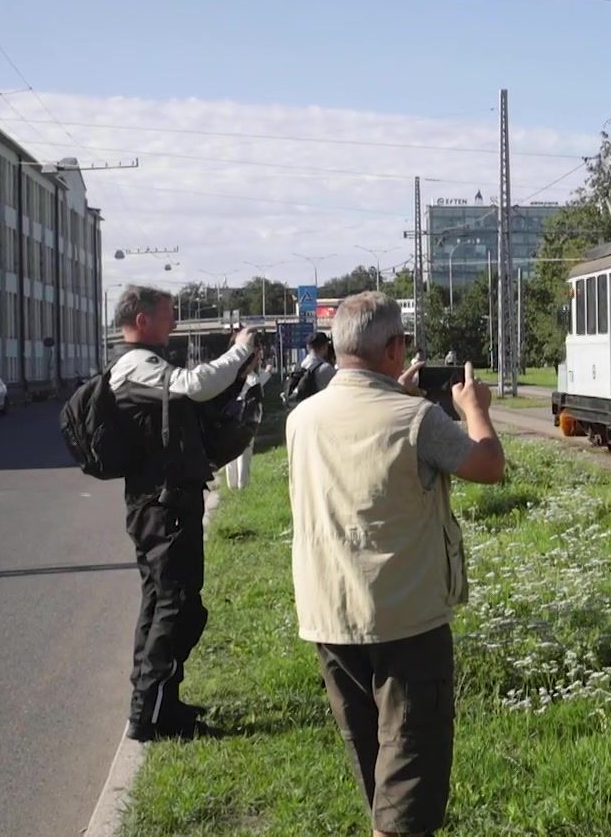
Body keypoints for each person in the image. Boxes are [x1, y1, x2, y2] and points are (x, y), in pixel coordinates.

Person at [288, 292, 506, 837]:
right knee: (410, 777)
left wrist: (395, 394)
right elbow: (488, 465)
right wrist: (475, 410)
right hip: (404, 619)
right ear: (393, 348)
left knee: (376, 767)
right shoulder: (417, 418)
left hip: (330, 617)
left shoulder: (301, 418)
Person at [108, 285, 258, 741]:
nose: (174, 324)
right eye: (168, 315)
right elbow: (192, 388)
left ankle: (160, 705)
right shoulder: (136, 368)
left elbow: (192, 402)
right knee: (176, 606)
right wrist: (238, 351)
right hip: (163, 504)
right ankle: (149, 715)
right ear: (141, 321)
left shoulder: (149, 368)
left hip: (165, 500)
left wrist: (239, 371)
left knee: (167, 604)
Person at [222, 349, 275, 491]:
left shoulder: (230, 374)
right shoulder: (251, 377)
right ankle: (242, 485)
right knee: (244, 452)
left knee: (230, 451)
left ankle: (231, 484)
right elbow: (256, 385)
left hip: (229, 416)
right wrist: (268, 372)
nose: (259, 362)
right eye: (257, 359)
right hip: (245, 419)